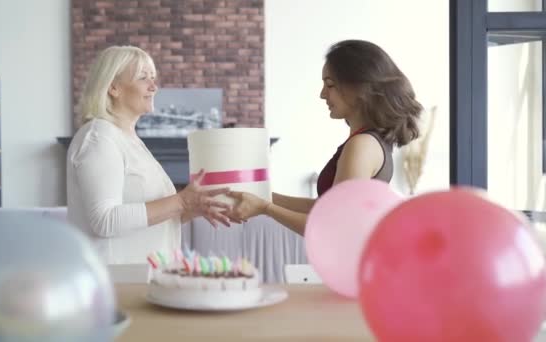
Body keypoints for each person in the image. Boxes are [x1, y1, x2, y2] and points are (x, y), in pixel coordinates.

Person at [226, 39, 422, 235]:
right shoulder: (368, 142)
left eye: (330, 85)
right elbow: (325, 208)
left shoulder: (362, 145)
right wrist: (263, 197)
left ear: (361, 87)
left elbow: (332, 225)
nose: (322, 94)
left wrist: (265, 208)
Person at [67, 46, 230, 265]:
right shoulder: (99, 139)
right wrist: (181, 201)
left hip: (144, 279)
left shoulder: (130, 140)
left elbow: (148, 217)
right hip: (116, 284)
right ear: (113, 88)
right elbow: (105, 221)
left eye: (153, 78)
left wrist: (191, 207)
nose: (154, 87)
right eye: (143, 78)